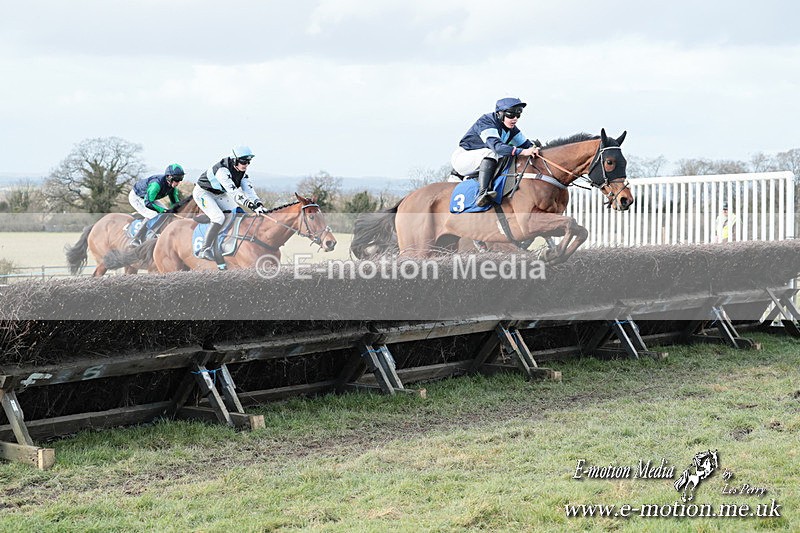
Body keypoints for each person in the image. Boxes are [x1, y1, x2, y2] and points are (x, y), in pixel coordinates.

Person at [451, 97, 540, 206]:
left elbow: (526, 145)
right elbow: (497, 147)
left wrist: (535, 148)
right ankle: (482, 194)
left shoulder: (512, 129)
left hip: (480, 159)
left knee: (505, 156)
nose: (515, 119)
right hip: (463, 158)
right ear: (500, 113)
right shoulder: (487, 121)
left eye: (518, 115)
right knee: (493, 153)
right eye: (511, 115)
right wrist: (524, 152)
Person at [193, 145, 268, 261]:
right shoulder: (222, 171)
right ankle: (205, 249)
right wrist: (252, 207)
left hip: (220, 194)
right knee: (218, 217)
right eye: (243, 162)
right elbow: (235, 193)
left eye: (248, 162)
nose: (246, 165)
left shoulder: (242, 172)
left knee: (239, 212)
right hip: (203, 193)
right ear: (235, 160)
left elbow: (249, 191)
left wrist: (259, 205)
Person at [128, 163, 185, 246]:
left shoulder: (172, 187)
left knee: (167, 214)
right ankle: (136, 239)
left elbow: (175, 204)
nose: (178, 182)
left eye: (180, 179)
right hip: (137, 197)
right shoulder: (156, 185)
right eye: (177, 179)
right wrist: (163, 210)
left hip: (149, 198)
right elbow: (148, 203)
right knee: (153, 215)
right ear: (169, 177)